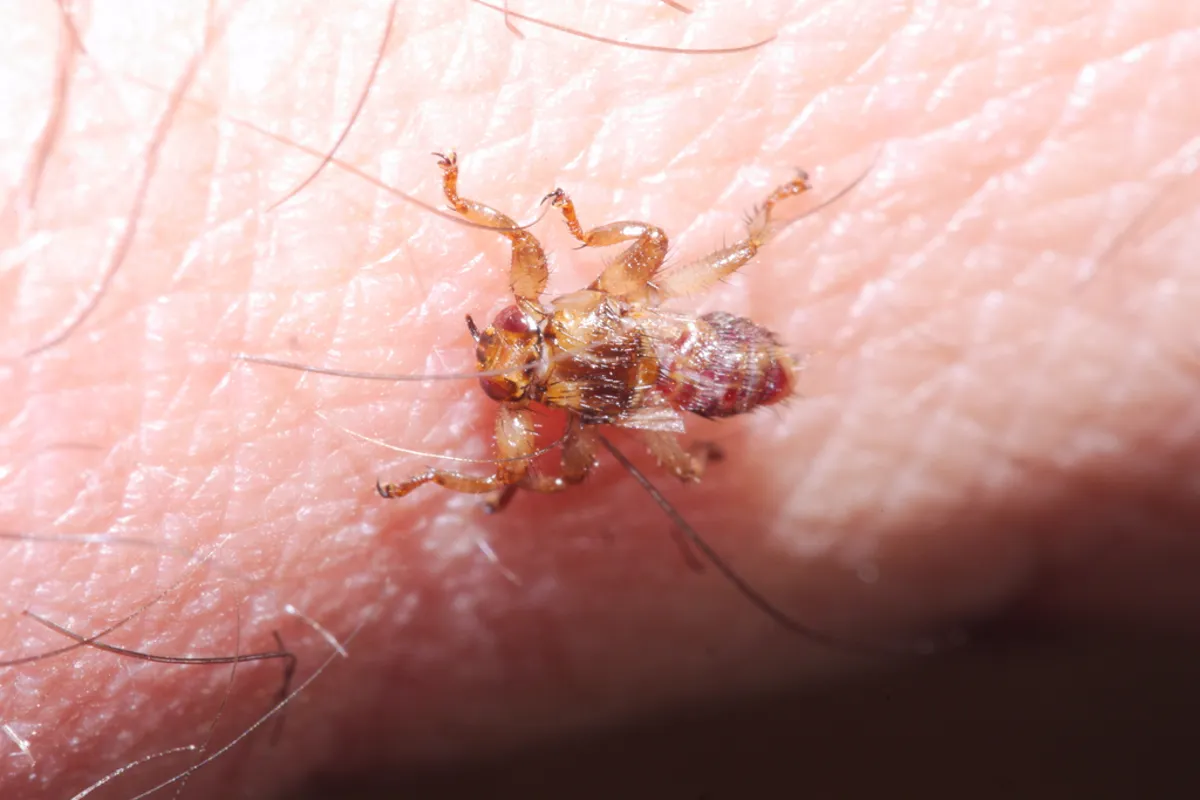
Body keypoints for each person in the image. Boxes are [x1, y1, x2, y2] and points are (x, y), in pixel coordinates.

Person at [2, 1, 1197, 797]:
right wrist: (571, 269)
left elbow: (560, 434)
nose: (505, 343)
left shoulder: (581, 349)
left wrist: (555, 275)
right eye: (517, 343)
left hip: (692, 353)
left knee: (575, 376)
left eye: (515, 341)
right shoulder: (584, 351)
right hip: (679, 350)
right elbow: (564, 425)